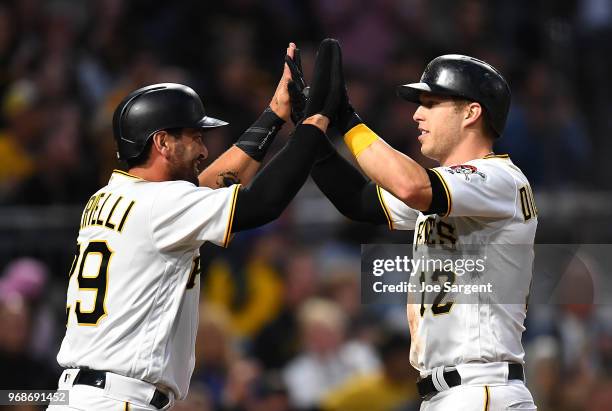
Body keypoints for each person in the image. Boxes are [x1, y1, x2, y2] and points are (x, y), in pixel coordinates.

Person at [48, 39, 344, 411]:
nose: (204, 151)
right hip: (119, 398)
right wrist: (315, 124)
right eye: (195, 138)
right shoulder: (161, 205)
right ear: (163, 143)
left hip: (83, 395)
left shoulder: (111, 197)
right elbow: (263, 204)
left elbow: (211, 185)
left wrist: (275, 114)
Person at [288, 49, 538, 410]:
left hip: (480, 389)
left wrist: (348, 118)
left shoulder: (498, 178)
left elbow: (411, 186)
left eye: (432, 102)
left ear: (472, 112)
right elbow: (358, 201)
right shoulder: (448, 193)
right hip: (449, 393)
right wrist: (311, 129)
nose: (417, 114)